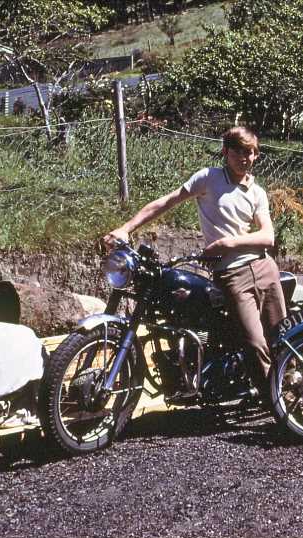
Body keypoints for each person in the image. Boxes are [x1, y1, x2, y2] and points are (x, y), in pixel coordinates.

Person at [102, 126, 287, 400]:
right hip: (232, 274)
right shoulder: (209, 178)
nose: (244, 158)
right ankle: (279, 404)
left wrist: (228, 244)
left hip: (264, 268)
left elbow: (267, 237)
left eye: (250, 152)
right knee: (254, 343)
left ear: (256, 155)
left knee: (281, 341)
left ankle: (290, 403)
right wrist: (125, 228)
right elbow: (167, 202)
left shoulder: (257, 192)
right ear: (225, 152)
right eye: (238, 151)